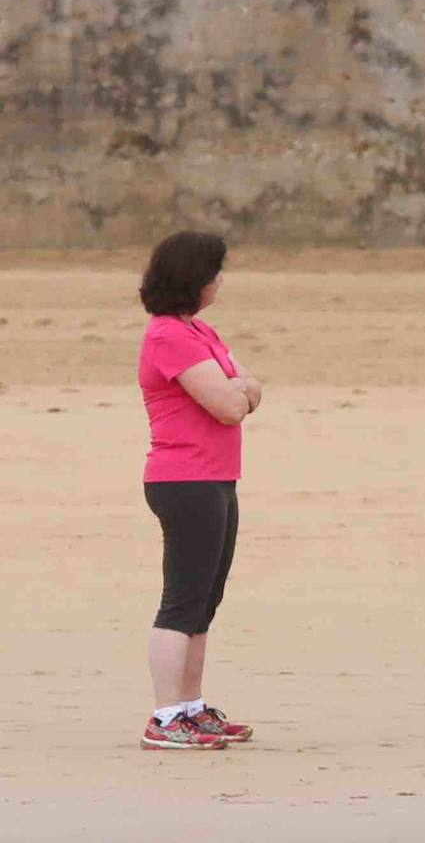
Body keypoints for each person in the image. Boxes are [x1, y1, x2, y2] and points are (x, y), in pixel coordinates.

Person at [137, 231, 261, 749]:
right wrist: (240, 393)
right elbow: (232, 403)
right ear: (195, 279)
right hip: (184, 480)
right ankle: (166, 717)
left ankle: (191, 706)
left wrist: (241, 391)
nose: (221, 279)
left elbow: (250, 385)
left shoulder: (200, 331)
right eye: (215, 271)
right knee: (182, 601)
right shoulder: (170, 336)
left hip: (215, 478)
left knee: (205, 601)